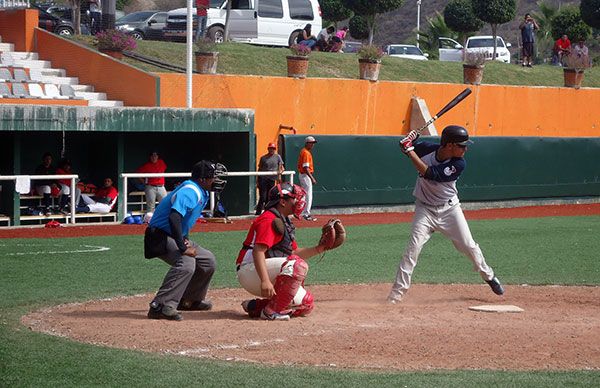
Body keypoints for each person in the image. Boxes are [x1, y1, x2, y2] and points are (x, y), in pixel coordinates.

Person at [388, 126, 505, 303]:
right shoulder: (427, 148)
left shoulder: (459, 163)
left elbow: (430, 173)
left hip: (449, 210)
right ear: (449, 145)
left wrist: (410, 149)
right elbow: (406, 147)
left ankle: (488, 276)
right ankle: (395, 296)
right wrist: (408, 140)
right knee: (412, 250)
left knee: (468, 246)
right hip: (424, 210)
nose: (466, 149)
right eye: (462, 145)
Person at [145, 160, 227, 321]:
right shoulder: (191, 190)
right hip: (159, 236)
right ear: (202, 179)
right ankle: (160, 306)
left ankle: (189, 300)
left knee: (207, 260)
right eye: (212, 177)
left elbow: (184, 221)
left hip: (172, 235)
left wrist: (185, 239)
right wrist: (182, 247)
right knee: (187, 262)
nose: (215, 181)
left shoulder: (199, 190)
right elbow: (174, 218)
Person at [236, 183, 328, 320]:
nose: (299, 201)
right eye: (294, 198)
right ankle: (271, 311)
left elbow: (294, 252)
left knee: (305, 304)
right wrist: (265, 281)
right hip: (249, 270)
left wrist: (321, 248)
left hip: (263, 269)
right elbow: (258, 251)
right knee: (297, 265)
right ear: (283, 202)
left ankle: (256, 307)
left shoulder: (283, 220)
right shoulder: (269, 219)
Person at [255, 142, 284, 215]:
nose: (272, 150)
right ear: (268, 149)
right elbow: (260, 169)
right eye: (271, 148)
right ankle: (258, 212)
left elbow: (281, 166)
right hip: (263, 179)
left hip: (272, 179)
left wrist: (280, 172)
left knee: (269, 197)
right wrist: (258, 181)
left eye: (273, 148)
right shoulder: (263, 158)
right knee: (263, 197)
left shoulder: (278, 157)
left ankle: (267, 212)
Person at [297, 136, 317, 221]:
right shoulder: (306, 153)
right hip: (305, 175)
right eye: (311, 143)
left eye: (313, 143)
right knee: (308, 195)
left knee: (304, 195)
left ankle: (299, 212)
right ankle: (306, 214)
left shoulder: (304, 151)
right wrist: (312, 178)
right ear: (307, 143)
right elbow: (305, 168)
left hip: (303, 175)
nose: (312, 145)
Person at [33, 152, 58, 216]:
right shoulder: (39, 168)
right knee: (47, 188)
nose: (48, 160)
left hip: (50, 189)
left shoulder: (52, 168)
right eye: (46, 159)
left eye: (49, 159)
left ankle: (61, 208)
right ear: (43, 160)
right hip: (40, 188)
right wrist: (50, 184)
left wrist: (55, 184)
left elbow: (55, 180)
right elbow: (38, 181)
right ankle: (47, 208)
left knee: (65, 189)